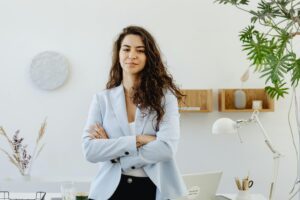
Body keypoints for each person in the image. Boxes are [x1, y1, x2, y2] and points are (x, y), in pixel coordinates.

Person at [82, 25, 187, 200]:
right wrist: (138, 140)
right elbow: (90, 150)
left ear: (148, 57)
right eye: (126, 49)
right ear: (119, 54)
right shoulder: (102, 100)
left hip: (152, 189)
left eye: (140, 50)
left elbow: (166, 148)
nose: (132, 55)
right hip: (109, 191)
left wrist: (117, 157)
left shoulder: (165, 97)